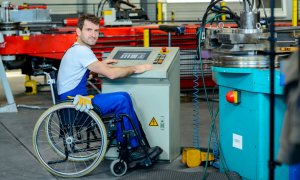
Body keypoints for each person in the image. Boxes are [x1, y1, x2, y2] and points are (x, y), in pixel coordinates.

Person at [57, 13, 154, 155]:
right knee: (121, 99)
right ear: (78, 31)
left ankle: (130, 144)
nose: (93, 35)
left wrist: (100, 65)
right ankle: (132, 148)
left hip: (74, 103)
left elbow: (80, 74)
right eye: (88, 30)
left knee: (123, 97)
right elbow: (112, 74)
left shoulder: (76, 49)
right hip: (75, 108)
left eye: (96, 30)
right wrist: (136, 68)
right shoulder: (82, 51)